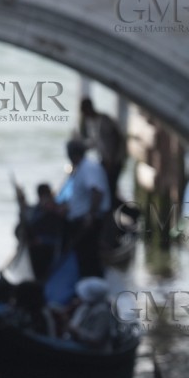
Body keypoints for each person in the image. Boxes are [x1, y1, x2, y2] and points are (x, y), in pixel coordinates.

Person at [58, 138, 110, 278]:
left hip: (87, 221)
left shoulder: (88, 168)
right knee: (83, 257)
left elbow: (97, 191)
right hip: (81, 219)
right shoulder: (81, 168)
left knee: (89, 257)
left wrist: (91, 215)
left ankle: (93, 285)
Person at [79, 97, 125, 204]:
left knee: (110, 191)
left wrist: (112, 160)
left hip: (114, 161)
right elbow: (91, 141)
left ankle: (133, 213)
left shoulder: (104, 120)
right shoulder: (89, 122)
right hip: (104, 159)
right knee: (105, 188)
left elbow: (116, 139)